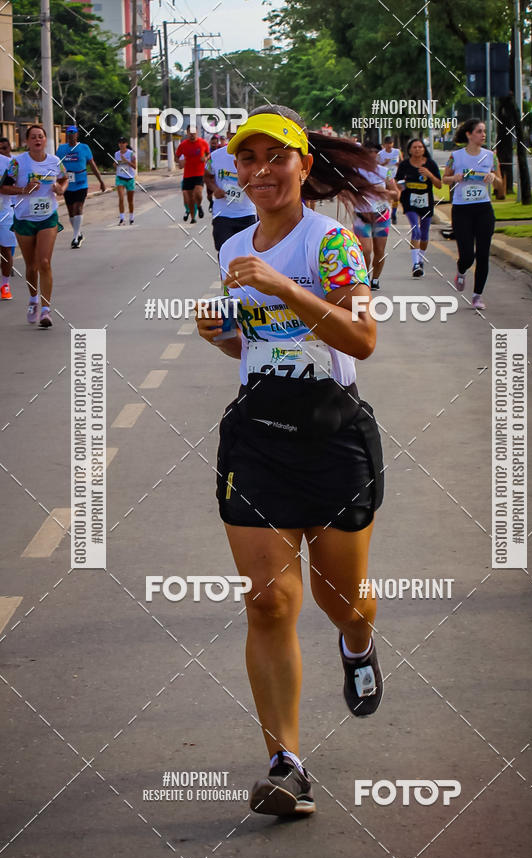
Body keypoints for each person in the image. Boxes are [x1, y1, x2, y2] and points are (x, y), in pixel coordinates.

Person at [195, 105, 385, 817]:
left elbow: (361, 340)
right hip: (258, 436)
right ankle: (286, 764)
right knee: (268, 599)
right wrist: (218, 335)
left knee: (342, 601)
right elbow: (254, 347)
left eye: (277, 158)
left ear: (304, 166)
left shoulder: (330, 243)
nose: (262, 171)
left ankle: (360, 641)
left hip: (333, 437)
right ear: (236, 171)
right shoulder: (232, 245)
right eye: (248, 159)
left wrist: (284, 289)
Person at [0, 124, 67, 327]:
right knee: (31, 266)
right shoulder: (17, 163)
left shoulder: (56, 162)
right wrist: (23, 189)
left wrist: (59, 188)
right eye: (33, 137)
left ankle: (46, 310)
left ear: (45, 140)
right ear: (27, 141)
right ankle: (33, 299)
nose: (37, 140)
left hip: (48, 217)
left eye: (41, 136)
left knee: (44, 261)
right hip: (24, 218)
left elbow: (65, 181)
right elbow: (3, 186)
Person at [442, 118, 502, 309]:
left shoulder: (490, 156)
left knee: (483, 253)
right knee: (468, 254)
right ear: (469, 134)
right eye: (479, 131)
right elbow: (445, 179)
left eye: (484, 131)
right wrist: (455, 177)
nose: (483, 135)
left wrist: (493, 178)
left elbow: (501, 183)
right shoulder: (456, 156)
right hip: (462, 210)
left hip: (483, 209)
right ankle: (461, 270)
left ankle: (477, 295)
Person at [352, 140, 399, 290]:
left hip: (381, 215)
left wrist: (384, 192)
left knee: (379, 251)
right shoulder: (356, 171)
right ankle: (364, 279)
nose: (371, 154)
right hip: (361, 215)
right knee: (365, 251)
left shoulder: (385, 172)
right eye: (368, 151)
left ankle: (375, 279)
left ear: (377, 154)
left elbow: (396, 194)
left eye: (374, 152)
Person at [203, 131, 257, 255]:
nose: (235, 137)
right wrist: (215, 189)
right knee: (224, 252)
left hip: (247, 213)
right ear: (227, 134)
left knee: (248, 254)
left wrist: (249, 184)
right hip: (223, 214)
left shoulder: (253, 156)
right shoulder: (215, 156)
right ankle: (225, 274)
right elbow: (207, 176)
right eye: (232, 133)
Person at [395, 138, 442, 277]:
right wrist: (400, 187)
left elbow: (439, 184)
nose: (417, 149)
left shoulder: (430, 164)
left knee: (424, 233)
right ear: (409, 150)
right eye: (414, 147)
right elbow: (398, 181)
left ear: (424, 149)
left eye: (420, 147)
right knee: (416, 230)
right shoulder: (404, 165)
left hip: (426, 202)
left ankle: (420, 260)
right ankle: (415, 264)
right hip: (410, 202)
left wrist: (429, 175)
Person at [56, 124, 105, 247]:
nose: (71, 135)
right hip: (67, 184)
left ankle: (75, 239)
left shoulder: (84, 148)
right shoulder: (61, 149)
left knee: (78, 208)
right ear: (66, 135)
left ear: (77, 134)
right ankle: (78, 233)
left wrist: (101, 181)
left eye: (73, 132)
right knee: (71, 212)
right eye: (69, 133)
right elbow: (55, 166)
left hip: (81, 183)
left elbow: (92, 165)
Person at [175, 125, 209, 223]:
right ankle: (193, 217)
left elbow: (208, 154)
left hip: (199, 173)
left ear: (197, 132)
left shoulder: (203, 143)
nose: (192, 134)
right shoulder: (183, 145)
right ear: (187, 132)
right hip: (187, 175)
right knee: (189, 198)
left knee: (197, 194)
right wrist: (179, 162)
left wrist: (205, 158)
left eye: (194, 132)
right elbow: (176, 157)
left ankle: (199, 206)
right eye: (190, 132)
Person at [0, 136, 16, 299]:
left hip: (5, 211)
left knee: (6, 248)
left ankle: (5, 285)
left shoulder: (12, 164)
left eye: (5, 148)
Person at [377, 136, 401, 223]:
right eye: (387, 144)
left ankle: (394, 213)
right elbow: (377, 166)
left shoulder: (397, 151)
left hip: (395, 175)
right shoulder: (380, 154)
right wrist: (385, 163)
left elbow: (401, 162)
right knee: (387, 195)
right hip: (385, 177)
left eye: (391, 144)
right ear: (384, 145)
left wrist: (399, 164)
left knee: (397, 195)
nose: (389, 146)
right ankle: (387, 213)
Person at [115, 138, 136, 225]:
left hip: (130, 178)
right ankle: (122, 218)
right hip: (120, 177)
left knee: (130, 200)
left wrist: (126, 161)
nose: (121, 144)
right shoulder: (116, 154)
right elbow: (116, 164)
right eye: (120, 143)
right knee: (121, 198)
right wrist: (116, 164)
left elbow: (135, 166)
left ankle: (131, 217)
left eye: (123, 143)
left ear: (126, 144)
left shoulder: (131, 154)